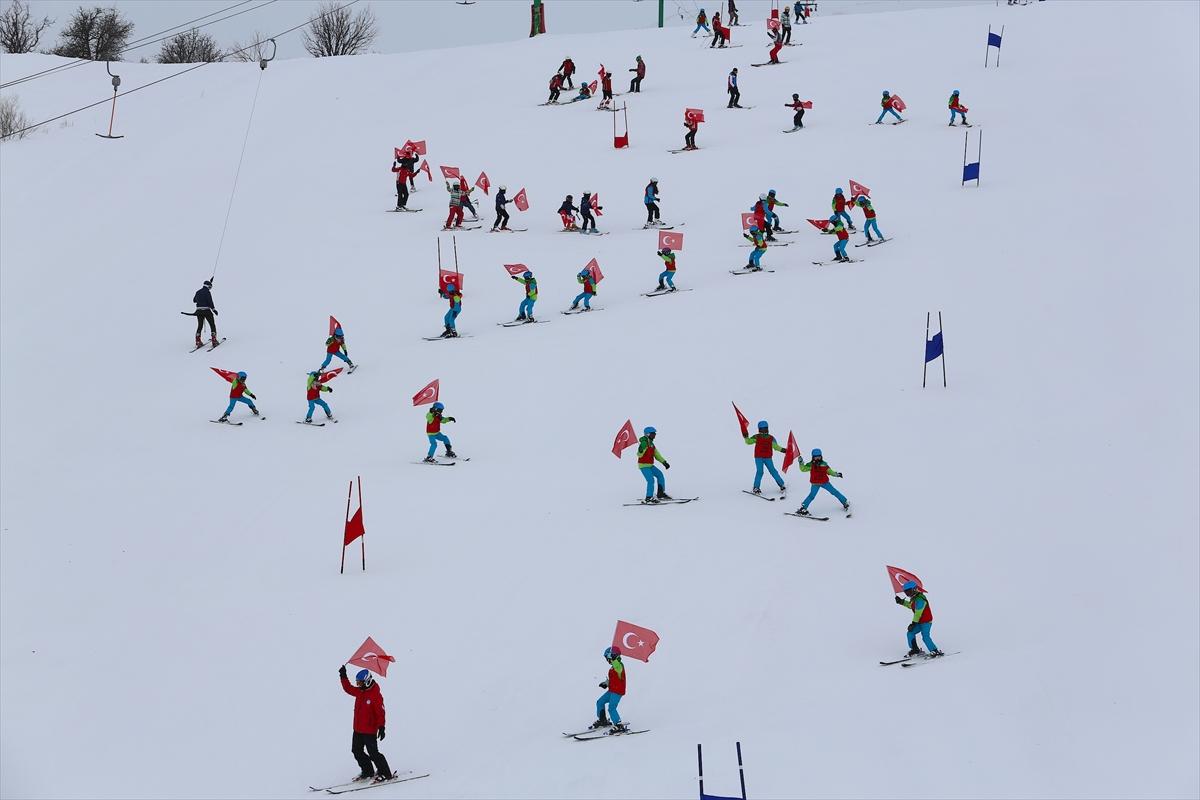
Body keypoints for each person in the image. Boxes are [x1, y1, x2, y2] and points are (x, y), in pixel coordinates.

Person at [337, 665, 394, 783]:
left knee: (373, 753)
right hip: (358, 729)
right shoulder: (360, 691)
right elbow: (348, 688)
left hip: (369, 731)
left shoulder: (375, 695)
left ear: (367, 681)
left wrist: (381, 727)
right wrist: (343, 675)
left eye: (360, 683)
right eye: (357, 683)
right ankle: (368, 771)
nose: (358, 685)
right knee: (356, 750)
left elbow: (380, 712)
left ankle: (386, 773)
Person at [896, 581, 943, 657]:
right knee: (910, 633)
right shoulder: (914, 598)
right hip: (919, 622)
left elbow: (918, 613)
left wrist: (913, 623)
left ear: (914, 589)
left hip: (926, 622)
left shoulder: (920, 599)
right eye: (906, 592)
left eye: (909, 592)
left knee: (925, 636)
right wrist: (901, 602)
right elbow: (911, 605)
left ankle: (934, 651)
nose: (908, 594)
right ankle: (915, 650)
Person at [796, 448, 849, 515]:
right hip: (815, 484)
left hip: (825, 483)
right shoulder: (811, 465)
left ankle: (845, 502)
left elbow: (830, 471)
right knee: (811, 496)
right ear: (813, 457)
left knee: (834, 492)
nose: (817, 458)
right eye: (816, 457)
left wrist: (837, 474)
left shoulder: (824, 465)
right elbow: (803, 469)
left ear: (821, 456)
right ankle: (803, 508)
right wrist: (801, 462)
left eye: (819, 457)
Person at [590, 646, 628, 733]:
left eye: (607, 658)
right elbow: (614, 679)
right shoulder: (612, 667)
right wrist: (606, 683)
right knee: (600, 702)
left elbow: (617, 666)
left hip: (617, 691)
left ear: (612, 657)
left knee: (611, 708)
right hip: (612, 690)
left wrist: (613, 657)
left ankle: (618, 725)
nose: (607, 660)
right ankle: (602, 720)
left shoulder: (619, 665)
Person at [745, 420, 785, 494]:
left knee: (773, 471)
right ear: (759, 430)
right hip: (759, 457)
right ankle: (756, 488)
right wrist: (746, 436)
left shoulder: (771, 438)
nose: (764, 431)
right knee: (760, 472)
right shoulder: (757, 437)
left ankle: (781, 484)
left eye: (765, 429)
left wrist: (784, 450)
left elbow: (776, 447)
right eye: (762, 429)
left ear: (767, 429)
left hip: (768, 458)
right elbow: (748, 442)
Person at [636, 427, 671, 502]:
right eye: (653, 433)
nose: (655, 435)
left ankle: (660, 493)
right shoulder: (644, 443)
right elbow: (639, 455)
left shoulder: (651, 444)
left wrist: (664, 462)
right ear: (648, 434)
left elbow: (657, 454)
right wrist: (641, 449)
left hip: (650, 465)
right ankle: (649, 497)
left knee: (660, 475)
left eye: (655, 433)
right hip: (643, 466)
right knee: (650, 480)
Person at [184, 278, 218, 349]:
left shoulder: (198, 292)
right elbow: (210, 301)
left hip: (199, 311)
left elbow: (194, 300)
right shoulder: (208, 292)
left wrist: (200, 299)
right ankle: (214, 341)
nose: (210, 288)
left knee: (200, 326)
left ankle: (198, 341)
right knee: (212, 324)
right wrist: (214, 309)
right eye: (210, 287)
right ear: (208, 286)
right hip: (206, 311)